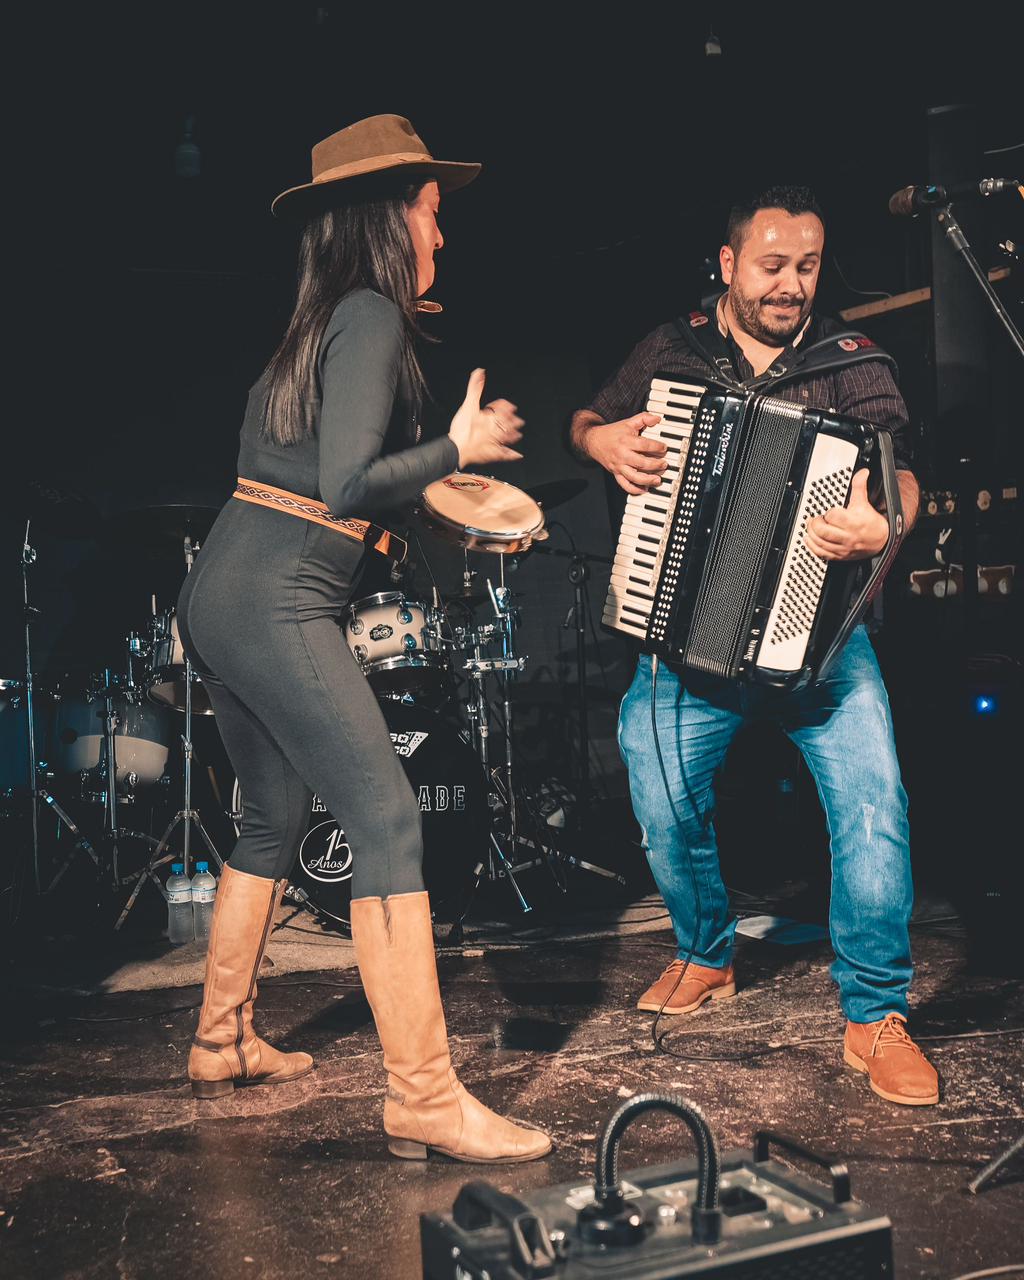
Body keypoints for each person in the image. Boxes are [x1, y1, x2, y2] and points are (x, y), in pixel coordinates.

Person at [177, 114, 550, 1162]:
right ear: (390, 216)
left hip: (219, 592)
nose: (442, 235)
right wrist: (456, 447)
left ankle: (219, 1039)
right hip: (276, 599)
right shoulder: (372, 315)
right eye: (431, 213)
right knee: (387, 817)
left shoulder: (316, 325)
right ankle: (423, 1095)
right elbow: (344, 484)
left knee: (273, 816)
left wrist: (445, 496)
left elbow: (321, 483)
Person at [570, 186, 939, 1107]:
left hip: (824, 646)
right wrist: (602, 442)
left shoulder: (851, 362)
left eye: (807, 266)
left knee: (874, 805)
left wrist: (883, 524)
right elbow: (588, 421)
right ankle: (707, 953)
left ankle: (875, 1013)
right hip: (689, 644)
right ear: (729, 264)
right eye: (773, 266)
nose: (792, 285)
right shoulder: (672, 348)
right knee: (659, 792)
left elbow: (904, 475)